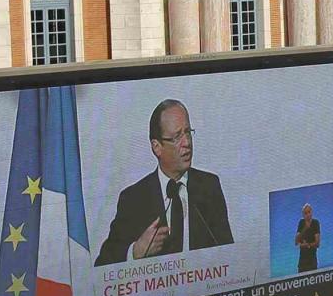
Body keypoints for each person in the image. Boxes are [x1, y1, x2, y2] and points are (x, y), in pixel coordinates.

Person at [95, 99, 233, 264]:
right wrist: (135, 251)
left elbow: (227, 252)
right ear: (156, 147)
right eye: (176, 137)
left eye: (188, 132)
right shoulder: (133, 198)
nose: (187, 143)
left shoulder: (209, 187)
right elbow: (103, 264)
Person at [293, 202, 321, 274]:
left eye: (309, 212)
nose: (308, 215)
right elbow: (296, 242)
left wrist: (307, 245)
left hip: (312, 261)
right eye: (305, 213)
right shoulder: (301, 222)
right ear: (303, 215)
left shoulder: (315, 223)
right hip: (302, 262)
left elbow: (317, 244)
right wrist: (305, 228)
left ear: (312, 212)